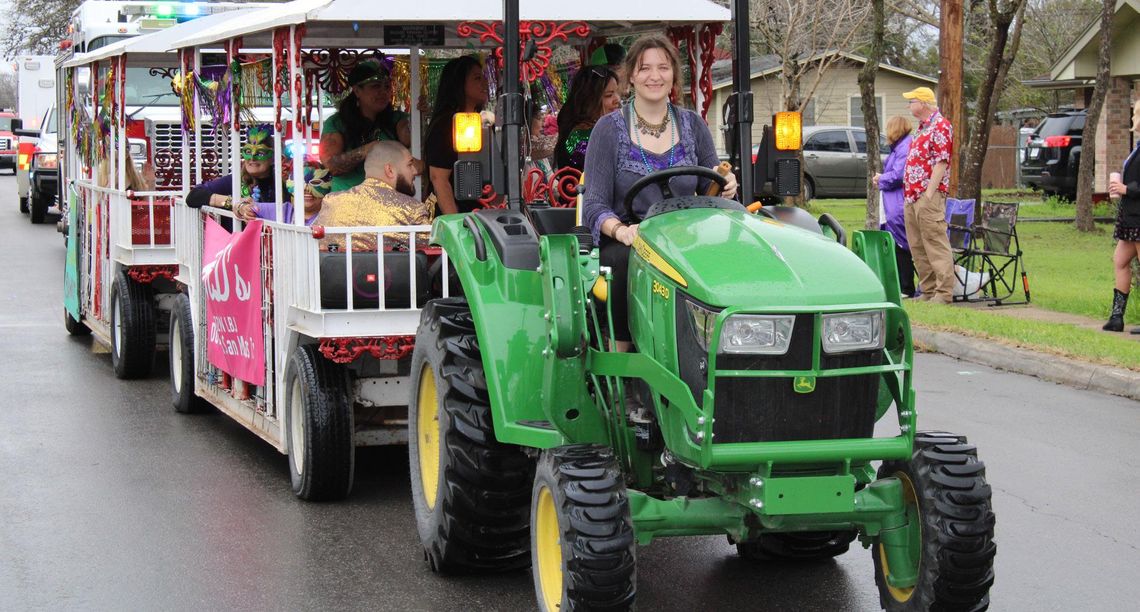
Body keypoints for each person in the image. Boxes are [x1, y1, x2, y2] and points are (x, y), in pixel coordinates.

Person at [581, 34, 738, 351]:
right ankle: (621, 358)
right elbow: (594, 203)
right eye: (645, 68)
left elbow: (713, 181)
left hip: (686, 237)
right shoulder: (608, 129)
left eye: (663, 67)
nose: (655, 76)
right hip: (632, 236)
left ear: (674, 75)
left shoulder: (693, 124)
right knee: (624, 263)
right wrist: (622, 232)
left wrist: (728, 185)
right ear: (631, 77)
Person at [313, 141, 430, 252]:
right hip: (391, 273)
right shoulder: (412, 209)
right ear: (390, 170)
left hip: (335, 273)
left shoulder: (332, 202)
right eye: (409, 165)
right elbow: (429, 255)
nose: (415, 171)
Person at [320, 57, 412, 194]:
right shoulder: (336, 123)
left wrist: (420, 115)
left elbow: (412, 140)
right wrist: (370, 149)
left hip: (388, 203)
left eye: (387, 86)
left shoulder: (397, 119)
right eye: (375, 86)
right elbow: (332, 166)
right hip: (348, 203)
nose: (383, 92)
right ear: (357, 91)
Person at [901, 86, 955, 304]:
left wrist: (929, 194)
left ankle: (943, 293)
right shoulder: (922, 128)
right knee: (917, 245)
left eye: (911, 101)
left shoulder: (941, 126)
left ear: (923, 103)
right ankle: (928, 290)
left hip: (928, 196)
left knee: (935, 242)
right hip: (912, 196)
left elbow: (942, 162)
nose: (909, 105)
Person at [423, 55, 489, 215]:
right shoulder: (446, 123)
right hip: (458, 220)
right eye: (477, 78)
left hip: (479, 214)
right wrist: (456, 223)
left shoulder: (479, 121)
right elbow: (439, 178)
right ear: (459, 84)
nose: (484, 83)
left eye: (483, 77)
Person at [1103, 99, 1140, 333]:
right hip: (1130, 215)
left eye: (1135, 113)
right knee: (1120, 261)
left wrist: (1129, 189)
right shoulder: (1137, 146)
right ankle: (1117, 317)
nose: (1133, 118)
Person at [185, 124, 276, 211]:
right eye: (248, 152)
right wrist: (234, 203)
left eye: (260, 153)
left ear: (272, 158)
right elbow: (194, 196)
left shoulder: (280, 184)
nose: (252, 158)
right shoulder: (234, 181)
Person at [873, 115, 916, 297]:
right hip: (892, 200)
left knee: (901, 243)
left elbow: (899, 174)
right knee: (895, 242)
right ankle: (901, 284)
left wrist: (881, 178)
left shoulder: (903, 148)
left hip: (897, 202)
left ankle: (907, 287)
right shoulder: (898, 148)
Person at [555, 65, 621, 172]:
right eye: (609, 95)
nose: (617, 99)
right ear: (588, 100)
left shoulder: (599, 128)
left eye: (617, 92)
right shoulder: (582, 137)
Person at [236, 163, 331, 226]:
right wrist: (242, 208)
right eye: (299, 183)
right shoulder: (283, 211)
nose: (307, 190)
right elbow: (242, 206)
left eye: (315, 183)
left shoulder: (332, 215)